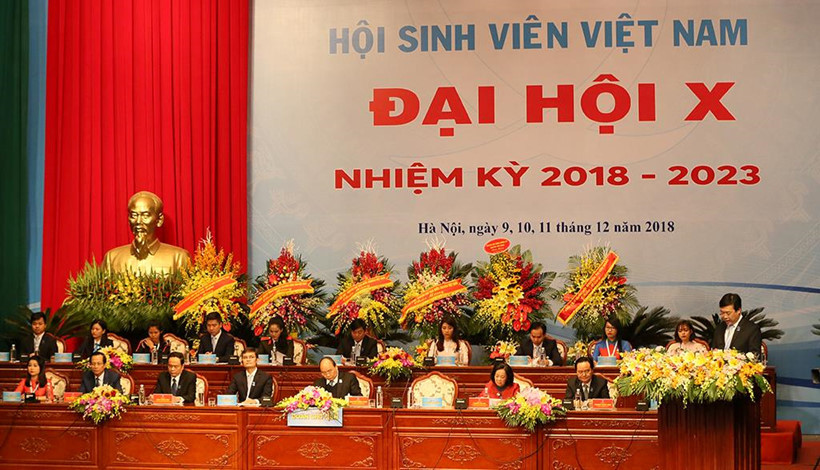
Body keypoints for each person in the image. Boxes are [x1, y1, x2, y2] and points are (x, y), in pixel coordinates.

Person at [102, 190, 191, 274]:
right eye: (134, 215)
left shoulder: (179, 258)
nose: (138, 221)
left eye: (145, 215)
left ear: (159, 220)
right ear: (128, 220)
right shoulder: (112, 258)